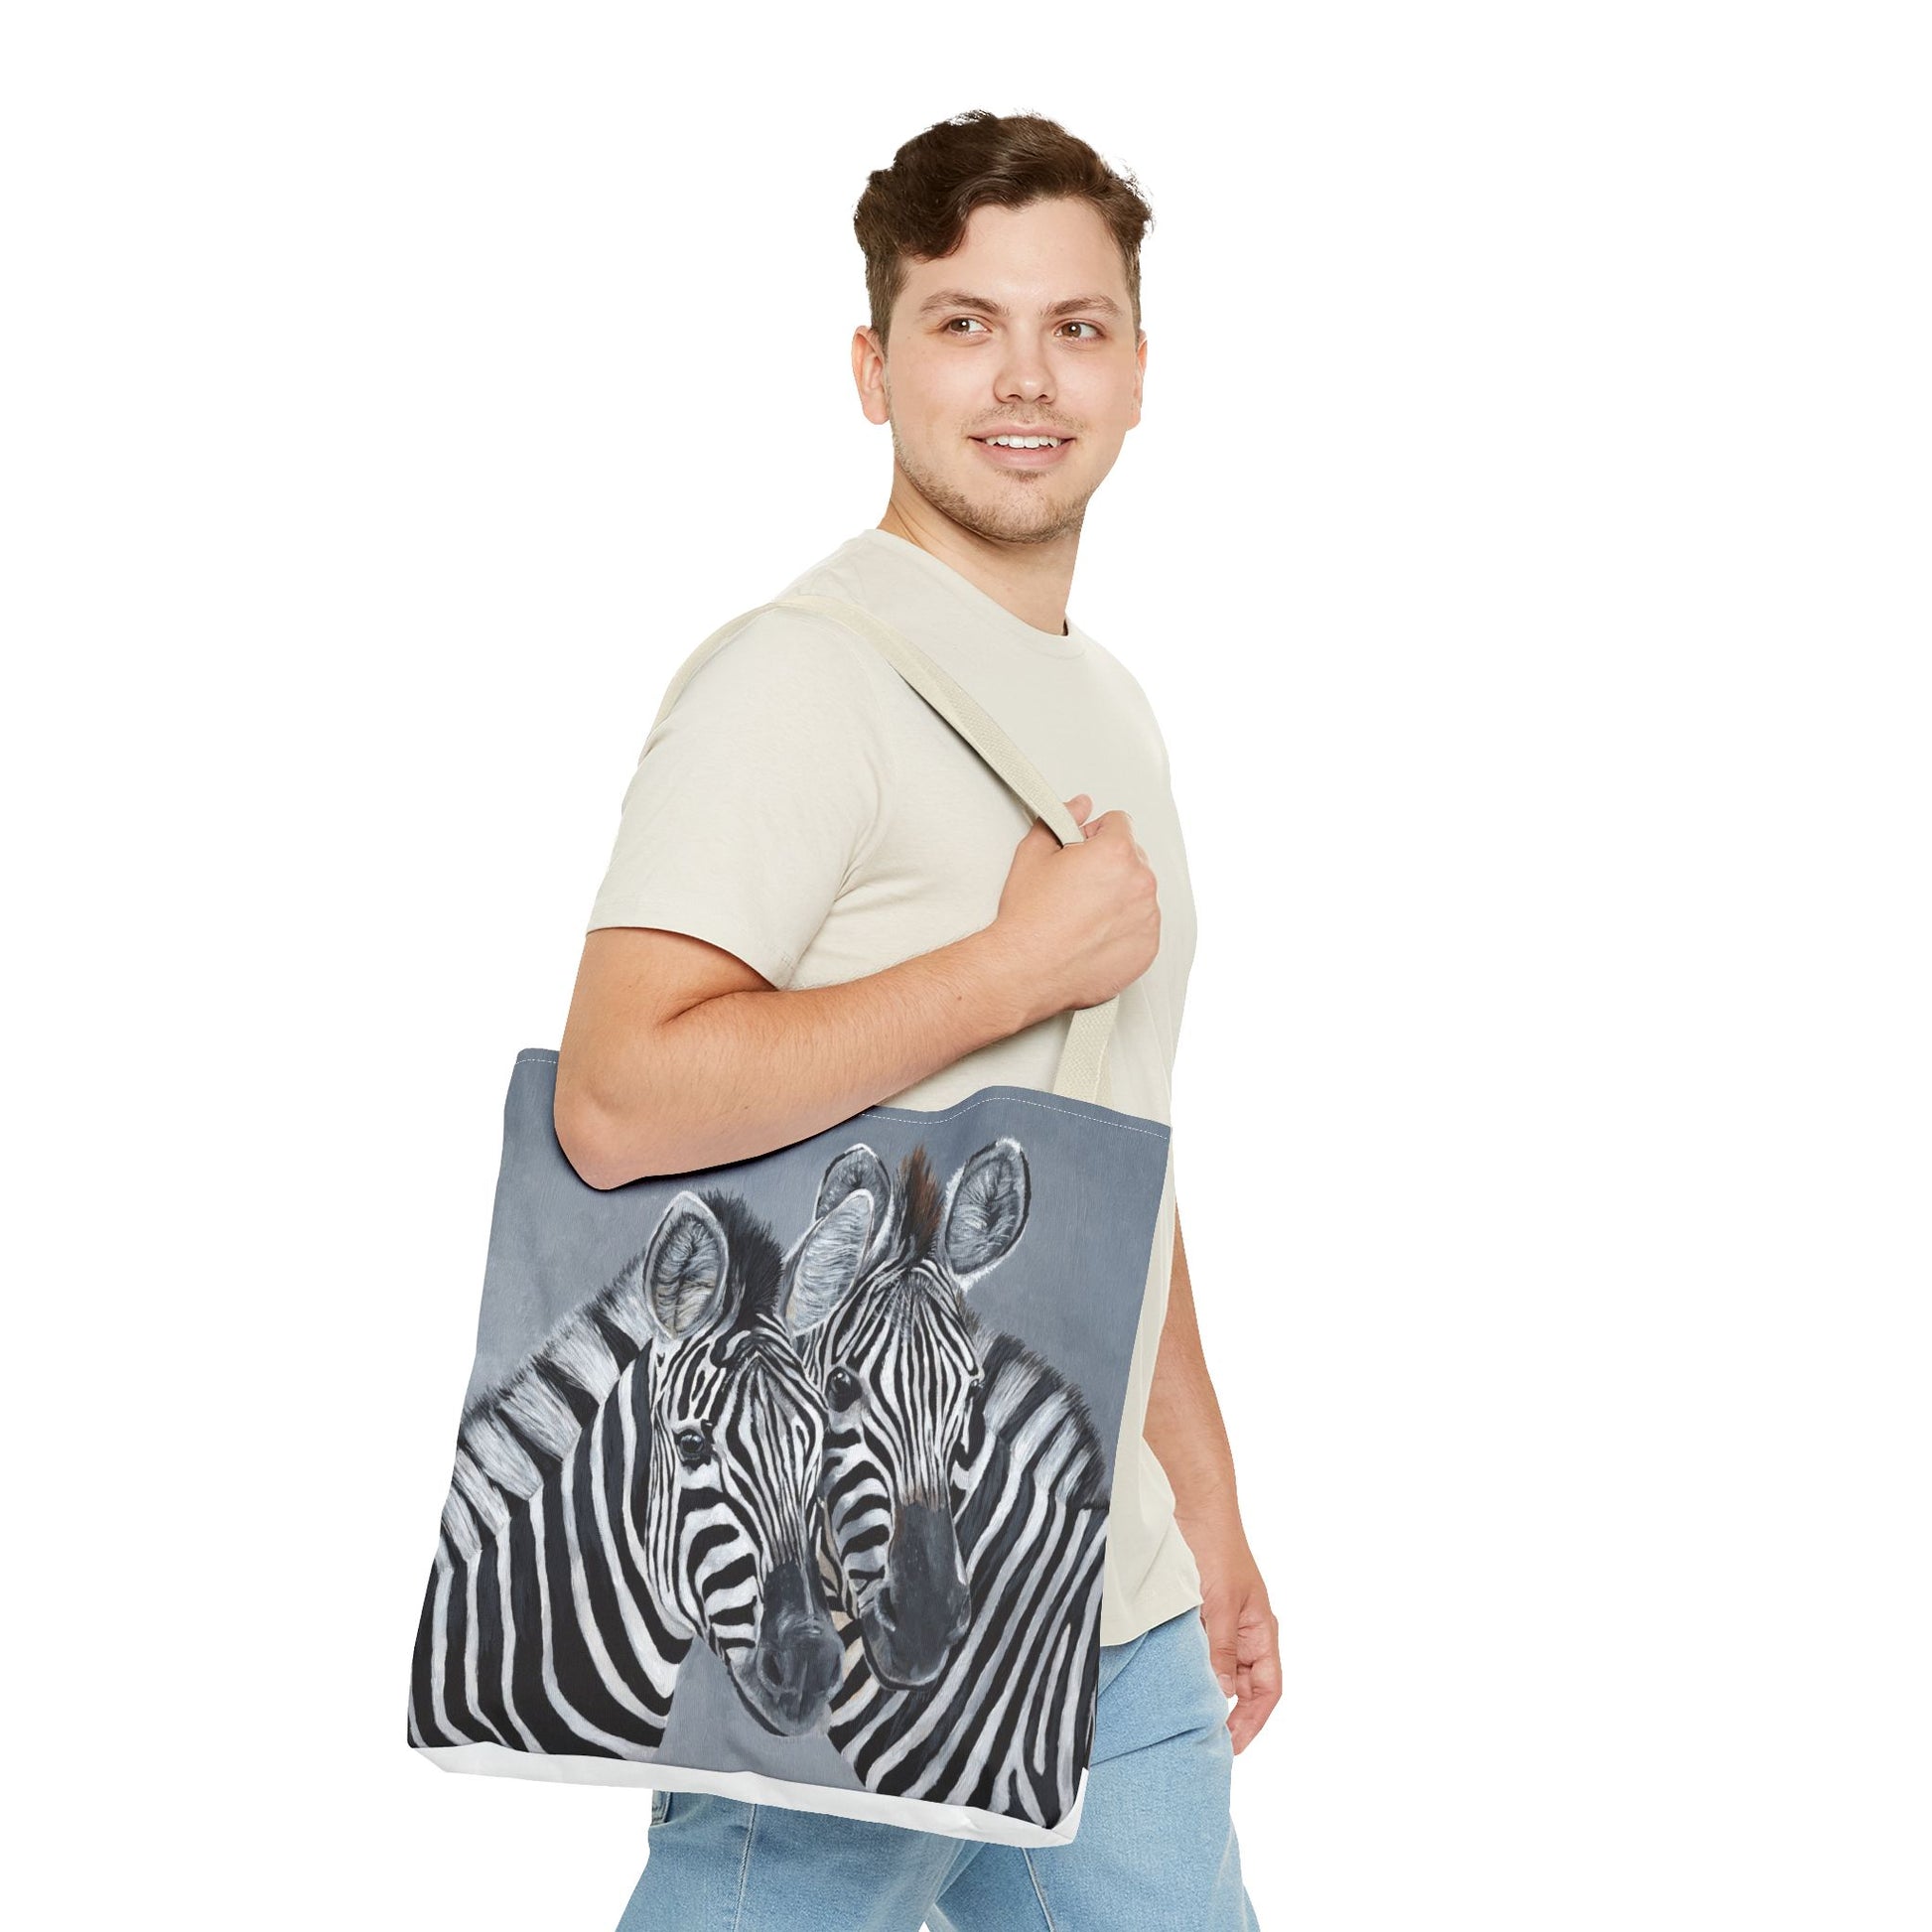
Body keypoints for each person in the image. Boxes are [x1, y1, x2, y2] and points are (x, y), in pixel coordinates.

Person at [556, 106, 1276, 1932]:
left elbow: (1109, 1133)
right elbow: (618, 1098)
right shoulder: (796, 680)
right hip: (853, 1623)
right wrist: (1006, 969)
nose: (1025, 378)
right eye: (965, 324)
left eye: (1074, 326)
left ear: (1135, 370)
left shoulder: (1106, 703)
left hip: (1109, 1610)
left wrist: (1202, 1506)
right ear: (874, 370)